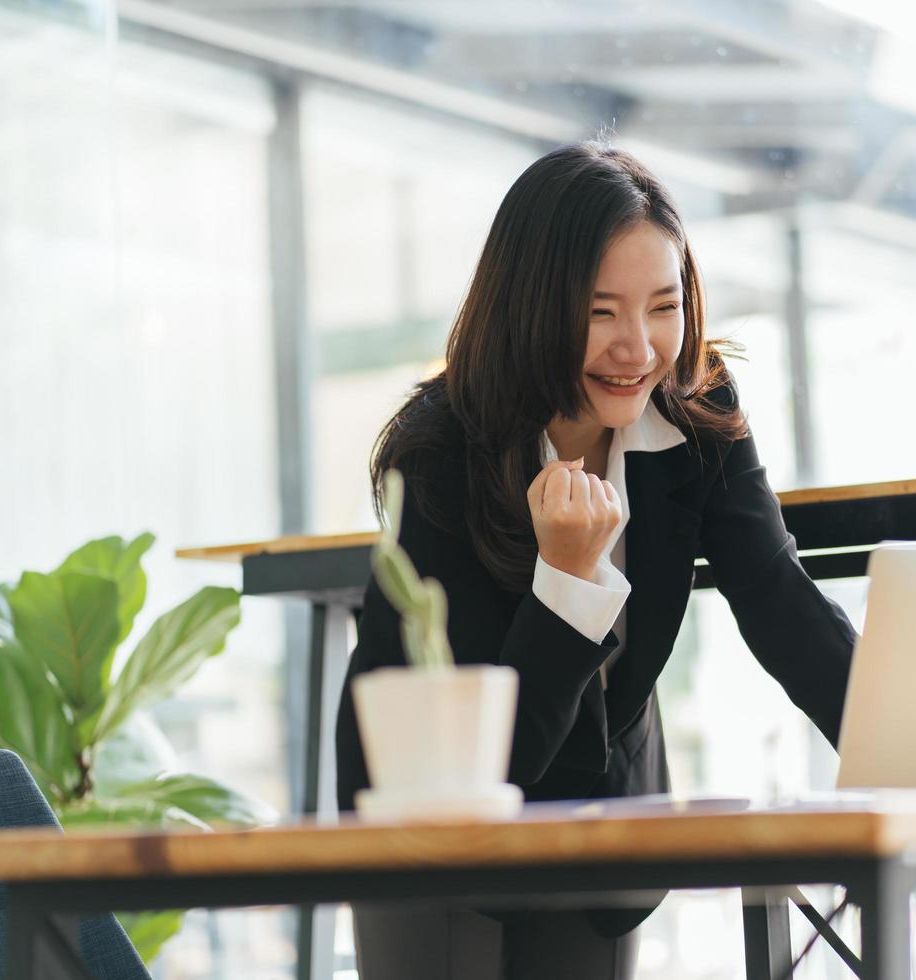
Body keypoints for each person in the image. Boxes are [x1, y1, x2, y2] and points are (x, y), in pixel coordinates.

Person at [334, 140, 858, 980]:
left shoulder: (696, 408)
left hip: (603, 810)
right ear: (533, 307)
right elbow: (492, 764)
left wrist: (902, 751)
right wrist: (566, 581)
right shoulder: (438, 449)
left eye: (661, 306)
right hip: (434, 825)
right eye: (599, 311)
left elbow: (775, 598)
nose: (638, 349)